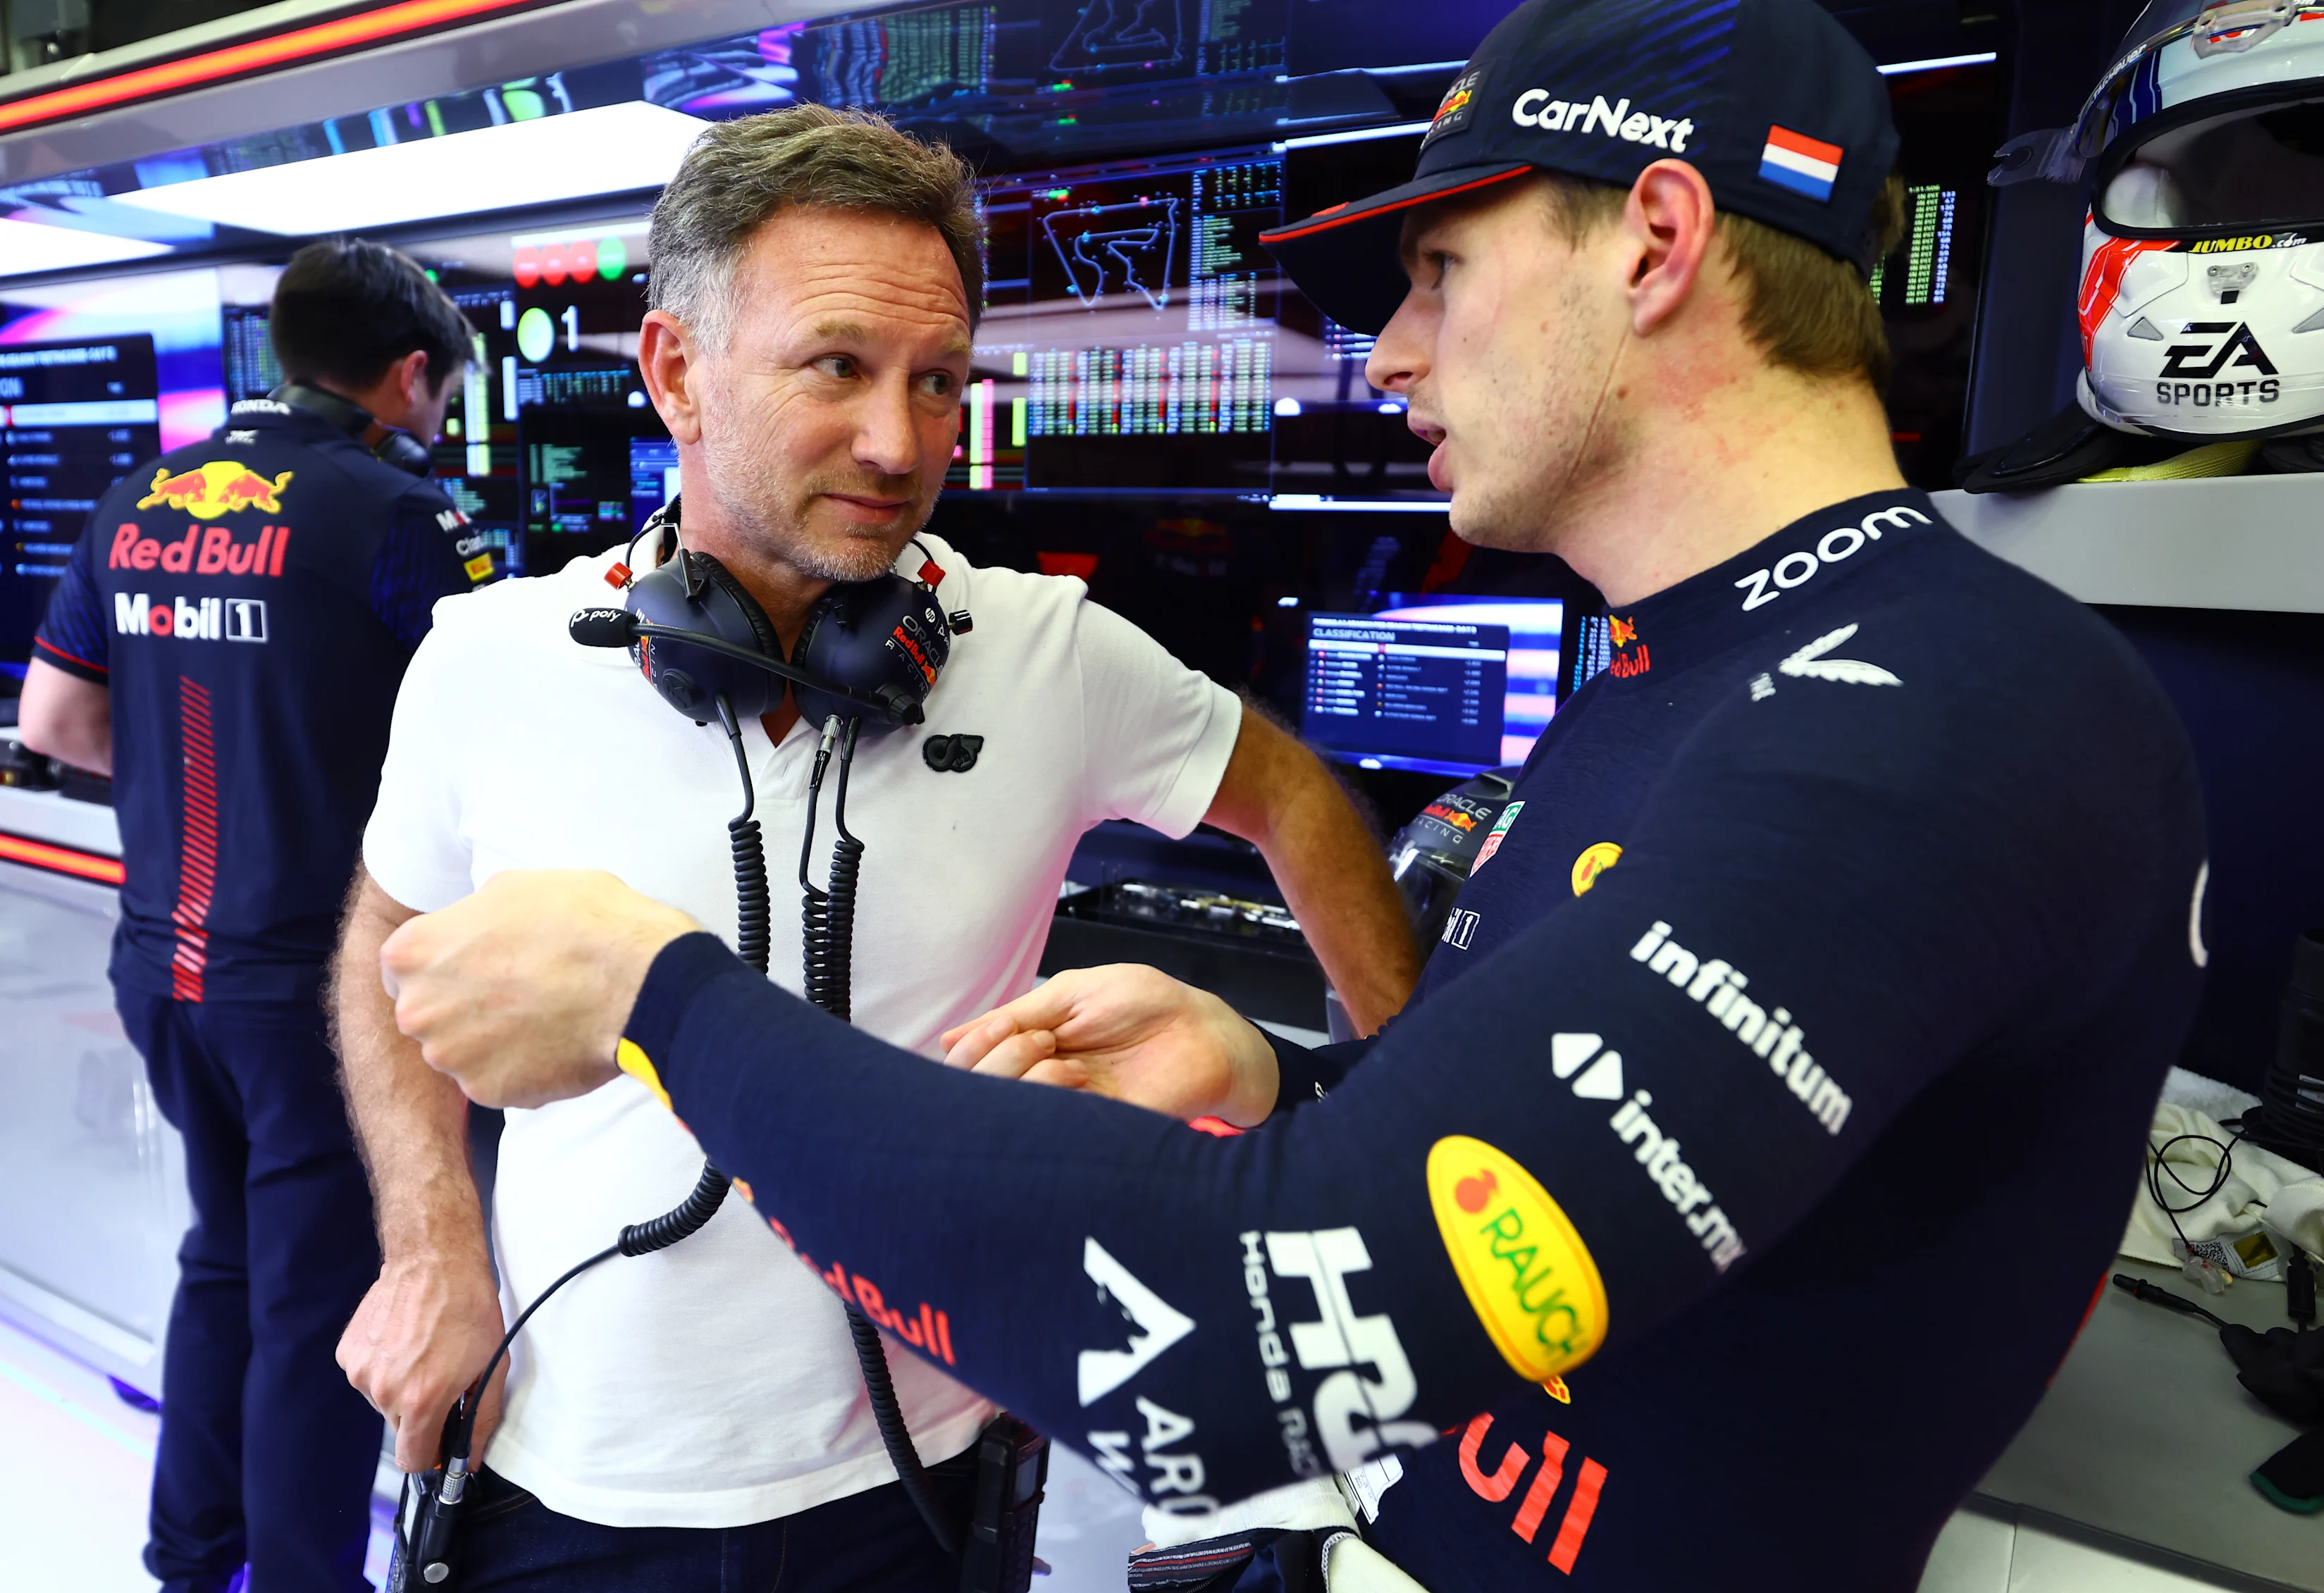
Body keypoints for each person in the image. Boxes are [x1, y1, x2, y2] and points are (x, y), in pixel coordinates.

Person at [369, 0, 2212, 1585]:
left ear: (1655, 239)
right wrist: (1285, 1082)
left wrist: (660, 997)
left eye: (1440, 272)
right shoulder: (1684, 679)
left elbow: (1235, 1343)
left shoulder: (1947, 704)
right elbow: (1587, 1184)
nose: (1391, 351)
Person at [330, 104, 1419, 1587]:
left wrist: (1397, 1113)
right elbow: (382, 944)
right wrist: (428, 1245)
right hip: (561, 1464)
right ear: (676, 373)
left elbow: (1292, 796)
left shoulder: (1045, 652)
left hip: (931, 1481)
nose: (901, 443)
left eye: (939, 380)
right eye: (837, 366)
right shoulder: (489, 657)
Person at [16, 238, 488, 1591]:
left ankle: (190, 1559)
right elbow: (496, 740)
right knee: (315, 1298)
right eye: (442, 393)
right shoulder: (396, 515)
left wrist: (194, 765)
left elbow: (55, 723)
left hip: (160, 970)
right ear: (409, 375)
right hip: (312, 993)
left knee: (224, 1258)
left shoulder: (134, 500)